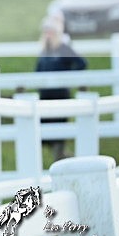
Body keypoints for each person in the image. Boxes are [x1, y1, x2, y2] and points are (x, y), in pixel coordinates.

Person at [35, 15, 87, 160]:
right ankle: (66, 158)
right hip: (45, 97)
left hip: (60, 96)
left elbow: (82, 63)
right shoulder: (45, 50)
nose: (47, 34)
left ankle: (66, 159)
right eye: (46, 31)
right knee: (44, 134)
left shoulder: (63, 48)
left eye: (50, 31)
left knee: (58, 134)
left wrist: (68, 78)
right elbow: (37, 71)